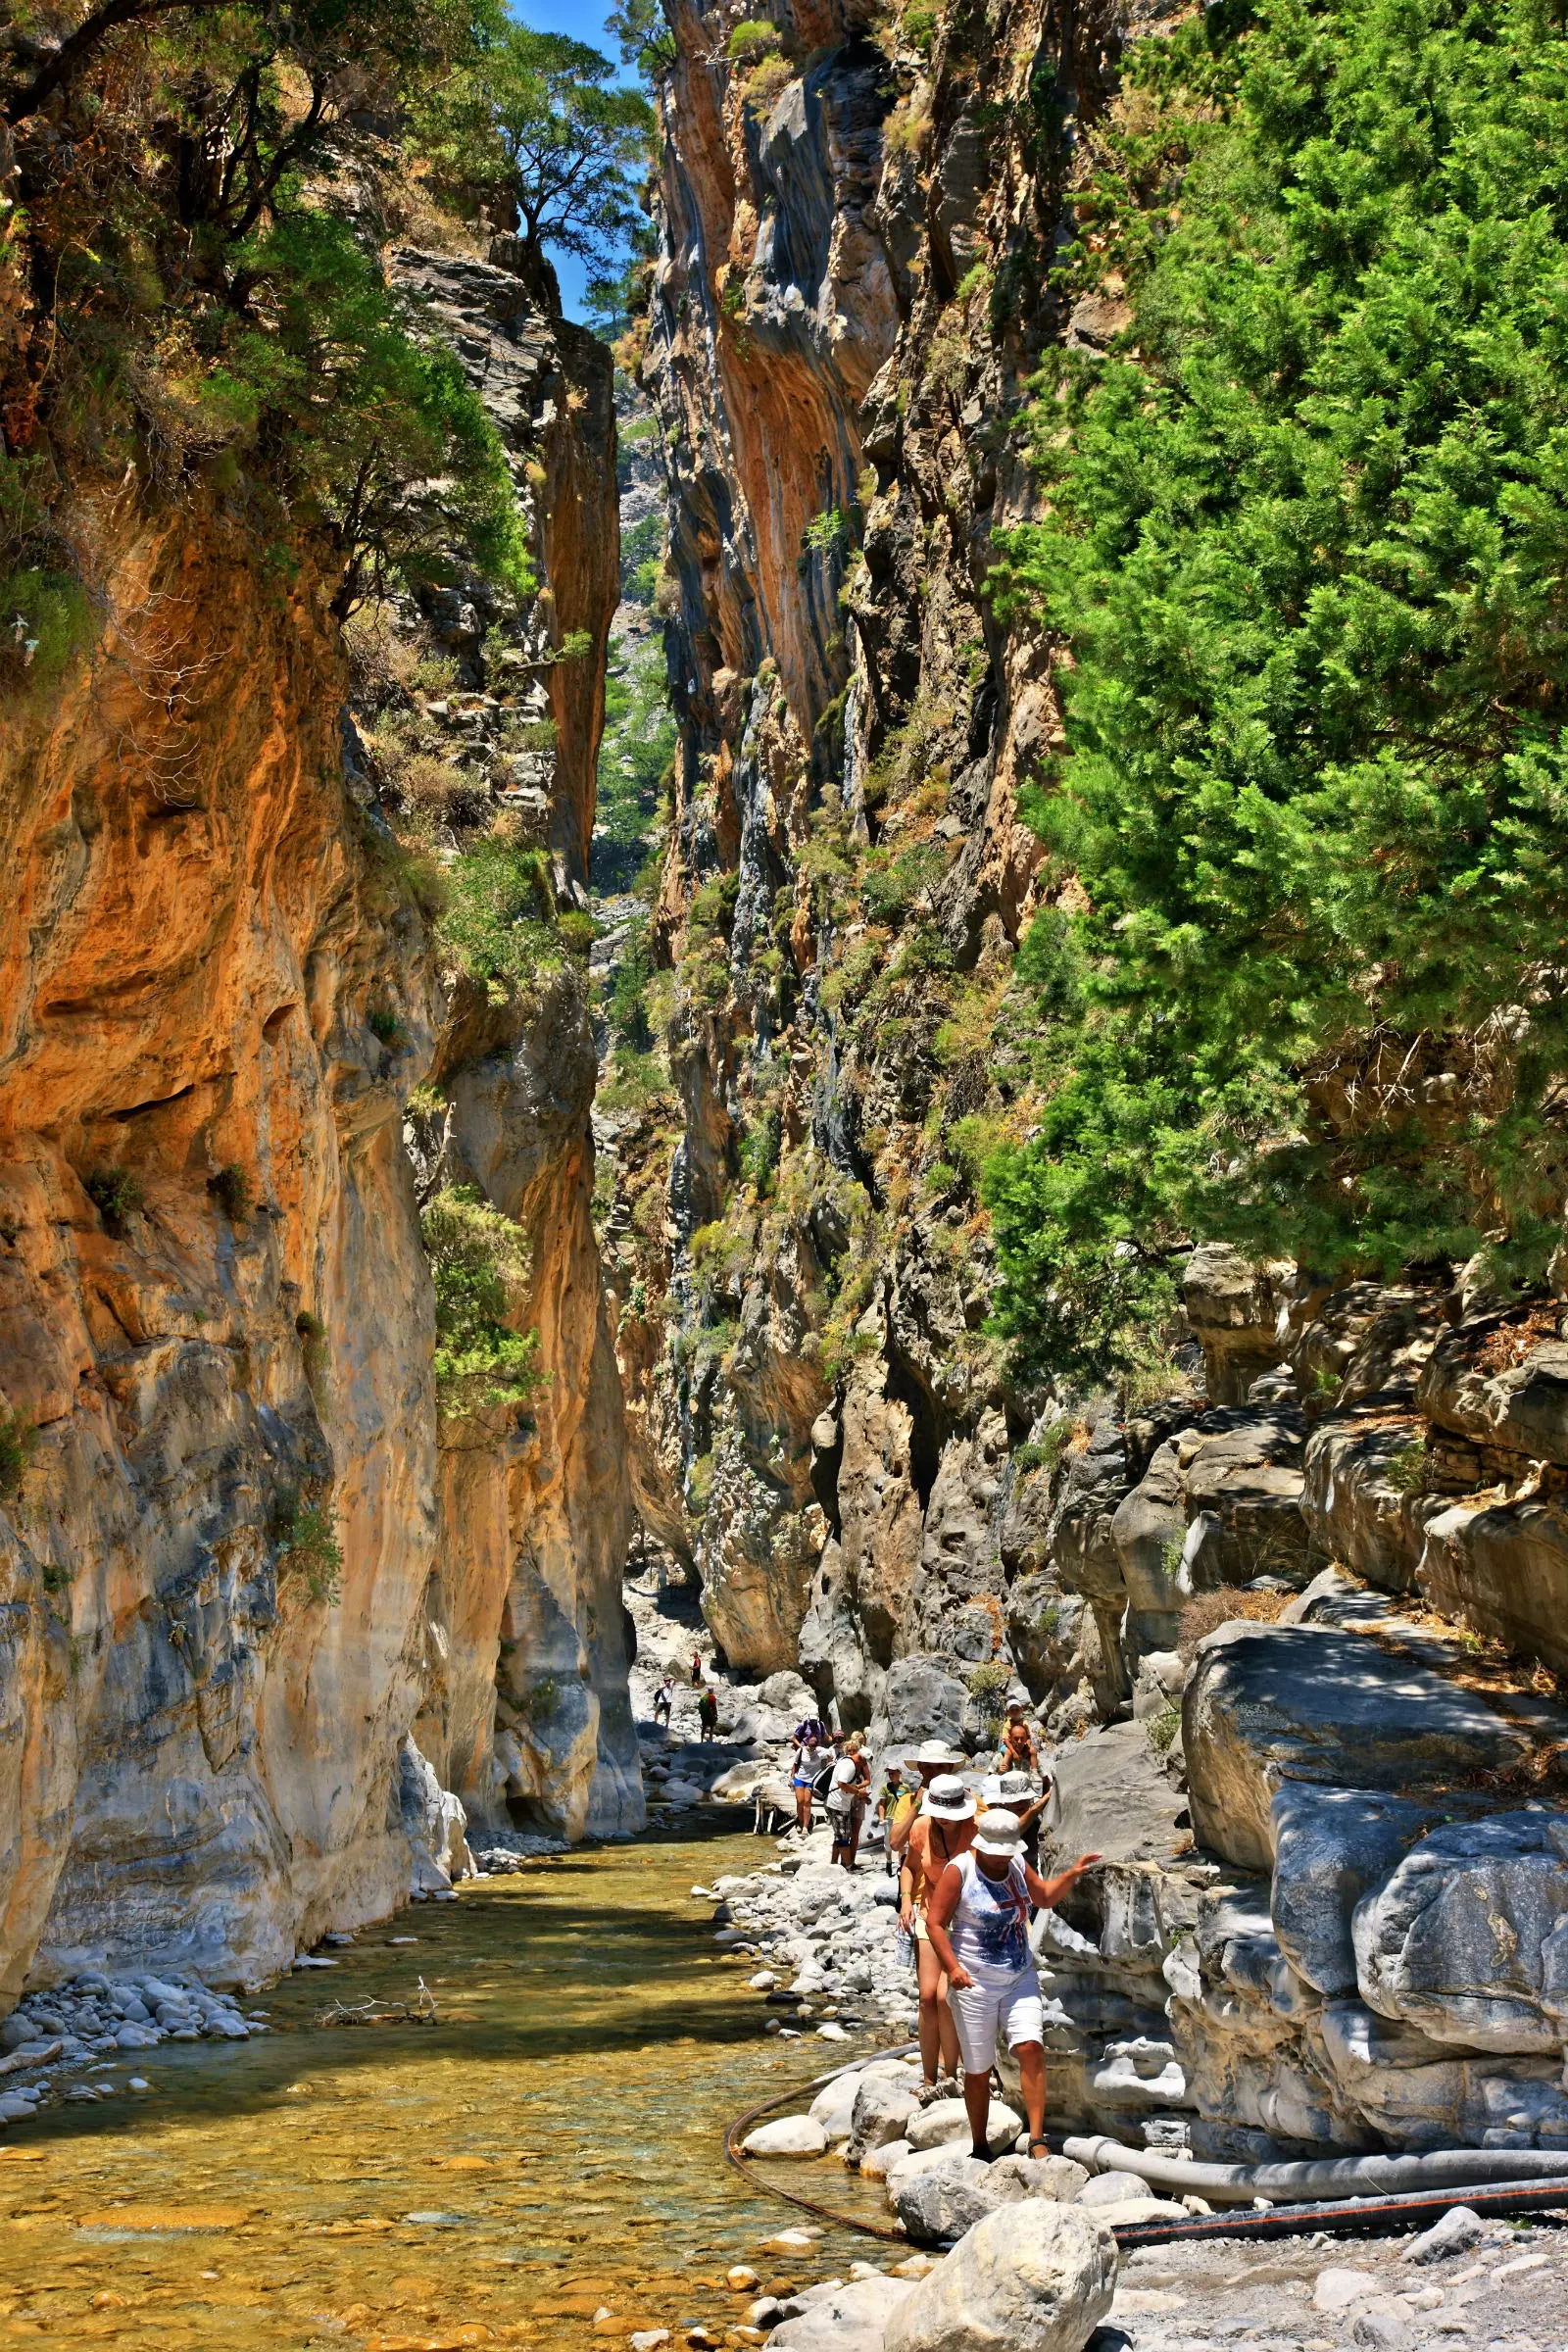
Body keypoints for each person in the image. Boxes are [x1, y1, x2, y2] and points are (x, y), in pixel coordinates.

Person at [925, 1808, 1101, 2163]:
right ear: (982, 1845)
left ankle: (1037, 2138)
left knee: (1031, 2047)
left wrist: (1073, 1874)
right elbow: (934, 1924)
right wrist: (953, 1968)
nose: (1004, 1857)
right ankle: (979, 2144)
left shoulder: (1018, 1864)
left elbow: (1045, 1898)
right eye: (999, 1851)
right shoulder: (960, 1870)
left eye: (1009, 1851)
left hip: (1019, 1974)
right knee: (978, 2068)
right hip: (974, 1981)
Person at [899, 1773, 975, 2098]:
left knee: (947, 1997)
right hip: (930, 1916)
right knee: (927, 1996)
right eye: (940, 1814)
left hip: (965, 1921)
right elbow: (910, 1867)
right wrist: (905, 1899)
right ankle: (929, 2078)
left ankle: (950, 2073)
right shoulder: (920, 1828)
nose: (944, 1820)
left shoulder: (976, 1830)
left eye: (950, 1815)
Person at [826, 1734, 871, 1871]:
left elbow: (866, 1779)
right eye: (864, 1762)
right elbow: (842, 1783)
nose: (865, 1765)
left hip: (841, 1802)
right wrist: (858, 1792)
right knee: (843, 1835)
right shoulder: (850, 1765)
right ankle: (848, 1865)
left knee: (841, 1834)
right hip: (839, 1803)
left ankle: (836, 1864)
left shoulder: (847, 1762)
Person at [789, 1724, 825, 1836]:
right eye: (811, 1743)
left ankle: (805, 1827)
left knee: (807, 1802)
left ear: (817, 1744)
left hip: (811, 1780)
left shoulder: (821, 1751)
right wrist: (792, 1777)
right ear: (807, 1742)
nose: (812, 1746)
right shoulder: (801, 1751)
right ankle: (800, 1822)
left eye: (815, 1743)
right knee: (800, 1802)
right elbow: (795, 1764)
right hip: (800, 1778)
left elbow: (832, 1753)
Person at [1000, 1698, 1039, 1775]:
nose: (1015, 1712)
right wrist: (1014, 1752)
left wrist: (1027, 1748)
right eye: (1012, 1710)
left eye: (1017, 1709)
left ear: (1021, 1710)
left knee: (1033, 1751)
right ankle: (1003, 1771)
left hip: (1021, 1745)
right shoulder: (1007, 1725)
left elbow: (1028, 1737)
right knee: (1008, 1752)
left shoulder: (1024, 1723)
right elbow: (1005, 1740)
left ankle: (1034, 1772)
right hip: (1009, 1746)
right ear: (1008, 1712)